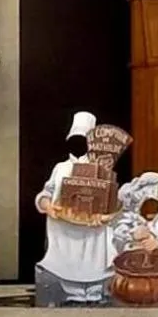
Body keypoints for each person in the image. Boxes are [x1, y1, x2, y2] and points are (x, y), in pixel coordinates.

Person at [35, 111, 116, 304]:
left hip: (93, 228)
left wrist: (103, 211)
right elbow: (47, 191)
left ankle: (95, 293)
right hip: (65, 225)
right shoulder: (60, 168)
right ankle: (72, 294)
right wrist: (47, 204)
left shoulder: (101, 168)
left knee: (93, 257)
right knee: (68, 260)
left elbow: (110, 198)